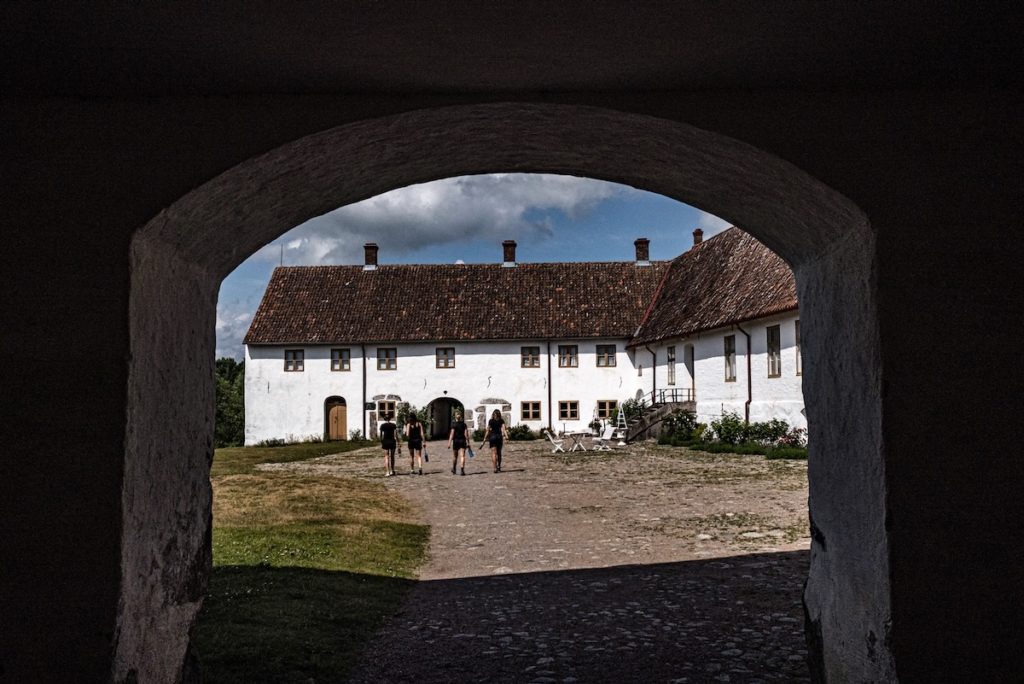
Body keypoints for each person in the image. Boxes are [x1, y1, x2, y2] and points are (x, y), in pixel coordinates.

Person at [483, 408, 509, 473]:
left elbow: (488, 430)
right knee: (499, 453)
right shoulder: (501, 421)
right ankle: (499, 467)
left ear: (493, 415)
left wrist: (484, 438)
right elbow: (503, 429)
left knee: (493, 453)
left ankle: (495, 468)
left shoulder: (490, 421)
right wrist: (506, 437)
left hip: (492, 437)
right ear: (499, 414)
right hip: (499, 437)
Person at [447, 410, 469, 476]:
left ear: (455, 416)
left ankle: (454, 468)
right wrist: (468, 442)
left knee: (455, 456)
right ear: (461, 416)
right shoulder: (464, 424)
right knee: (462, 456)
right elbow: (466, 435)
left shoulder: (454, 424)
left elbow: (452, 434)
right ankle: (462, 470)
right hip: (462, 441)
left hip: (456, 441)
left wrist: (449, 443)